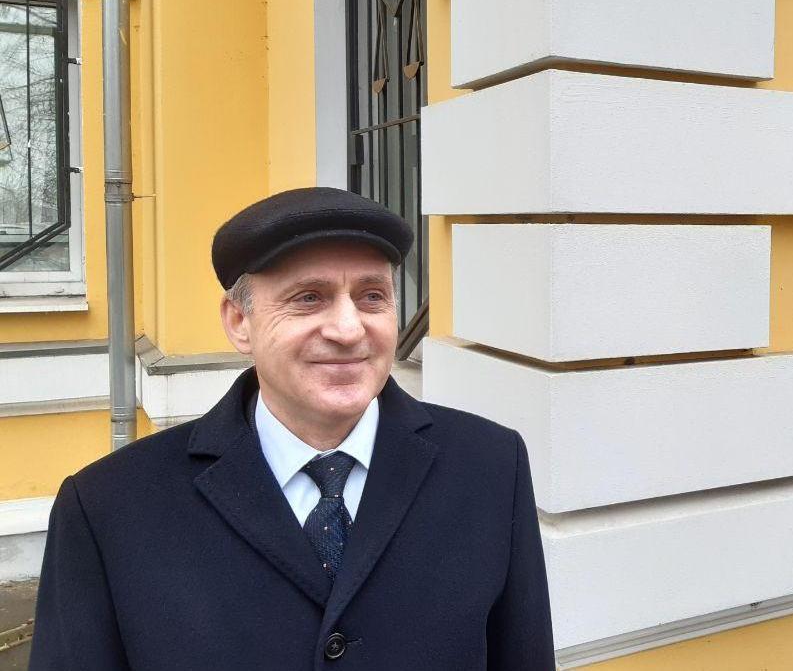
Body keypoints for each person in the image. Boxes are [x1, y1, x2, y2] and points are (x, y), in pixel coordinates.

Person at [28, 187, 555, 670]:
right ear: (239, 321)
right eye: (309, 297)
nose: (348, 329)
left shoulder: (490, 466)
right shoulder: (107, 509)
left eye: (372, 296)